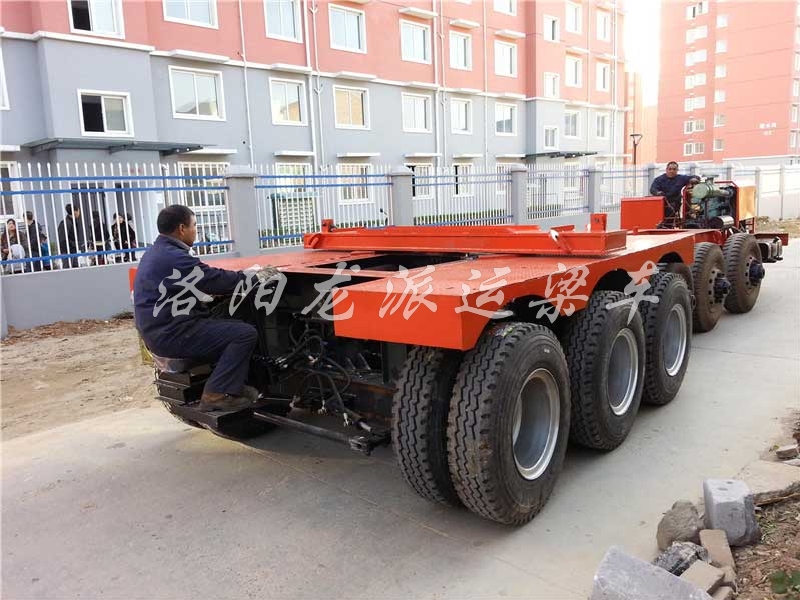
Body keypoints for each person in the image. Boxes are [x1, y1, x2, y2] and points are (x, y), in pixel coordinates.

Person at [133, 204, 279, 412]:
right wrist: (255, 277)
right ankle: (216, 394)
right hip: (173, 333)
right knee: (244, 334)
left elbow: (195, 282)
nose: (196, 231)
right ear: (182, 228)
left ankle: (236, 383)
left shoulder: (156, 252)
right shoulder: (175, 257)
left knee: (227, 317)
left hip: (160, 330)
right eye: (194, 225)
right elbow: (213, 279)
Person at [57, 204, 85, 268]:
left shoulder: (73, 222)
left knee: (75, 267)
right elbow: (63, 238)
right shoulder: (66, 223)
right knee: (68, 268)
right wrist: (73, 244)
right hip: (67, 251)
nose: (79, 213)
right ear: (75, 211)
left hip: (73, 249)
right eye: (78, 210)